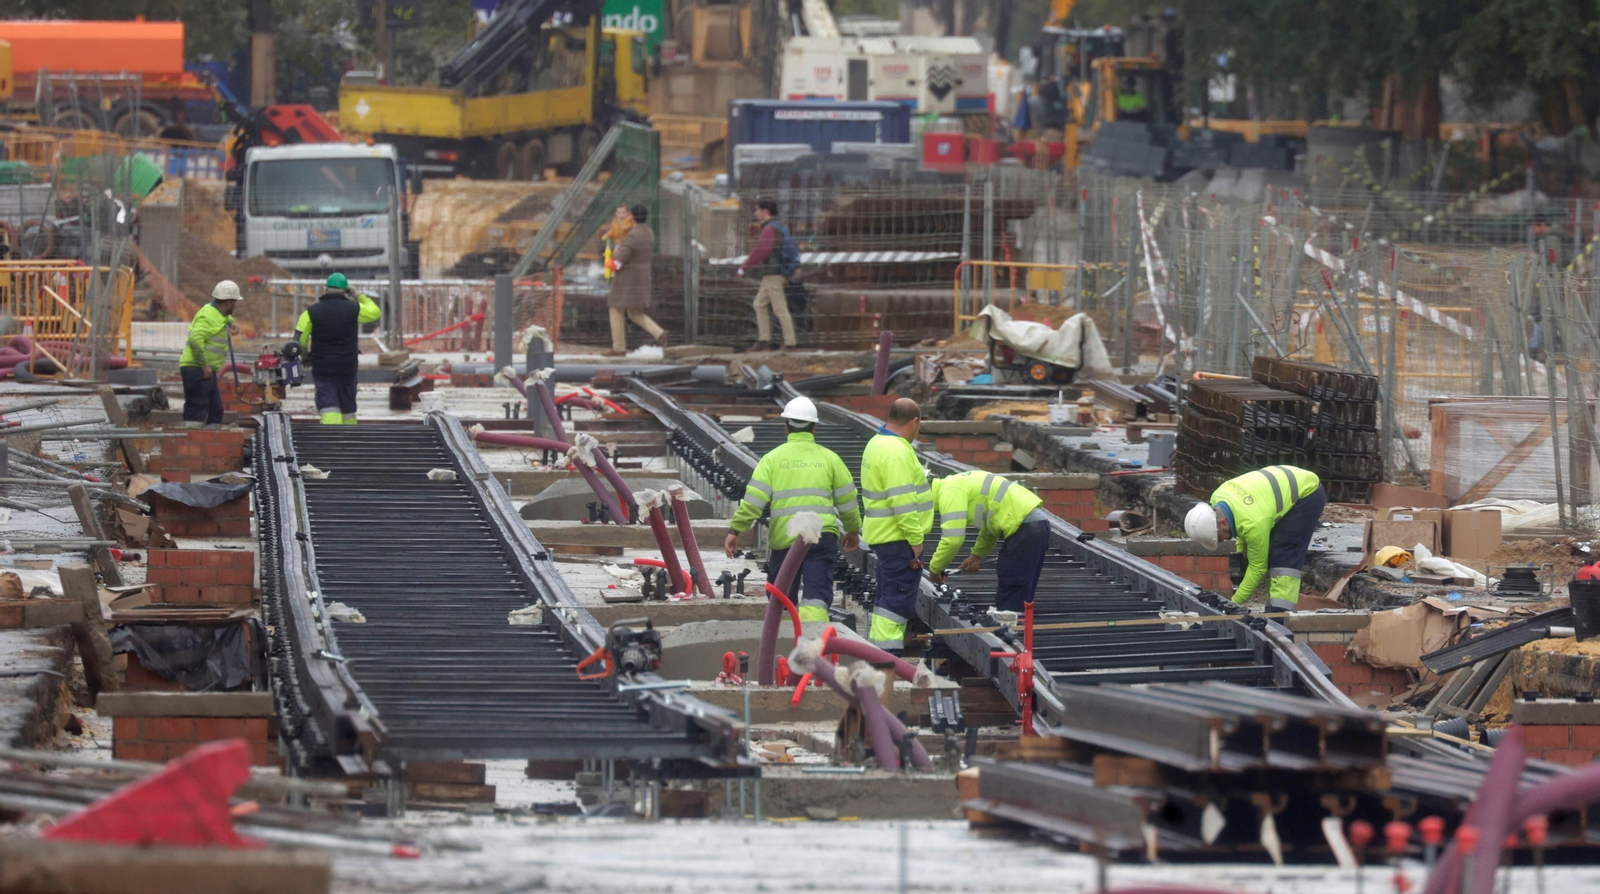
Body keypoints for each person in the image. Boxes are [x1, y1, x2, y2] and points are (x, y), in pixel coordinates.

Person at [725, 396, 861, 622]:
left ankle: (786, 642)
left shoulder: (772, 459)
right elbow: (848, 500)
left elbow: (753, 502)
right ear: (814, 428)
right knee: (817, 595)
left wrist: (735, 530)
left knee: (782, 596)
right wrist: (853, 530)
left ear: (786, 426)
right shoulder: (831, 459)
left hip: (785, 538)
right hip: (822, 536)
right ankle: (812, 643)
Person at [1184, 465, 1326, 611]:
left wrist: (1233, 602)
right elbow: (1239, 522)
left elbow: (1258, 568)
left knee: (1282, 556)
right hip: (1285, 485)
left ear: (1222, 523)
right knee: (1268, 549)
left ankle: (1279, 614)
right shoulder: (1218, 497)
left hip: (1308, 493)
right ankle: (1274, 606)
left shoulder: (1254, 524)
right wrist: (1241, 553)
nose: (1221, 542)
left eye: (1219, 538)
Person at [858, 398, 933, 652]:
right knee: (896, 598)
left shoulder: (876, 443)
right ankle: (887, 656)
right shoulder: (897, 451)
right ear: (914, 422)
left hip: (883, 535)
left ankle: (880, 652)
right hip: (898, 537)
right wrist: (916, 539)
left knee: (887, 594)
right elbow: (902, 501)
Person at [926, 470, 1049, 613]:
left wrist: (935, 570)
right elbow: (990, 525)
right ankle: (1017, 626)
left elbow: (952, 539)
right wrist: (977, 555)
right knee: (1020, 590)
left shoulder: (949, 491)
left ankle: (1011, 629)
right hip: (1036, 525)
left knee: (1012, 581)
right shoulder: (955, 483)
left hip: (1026, 527)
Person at [296, 272, 382, 425]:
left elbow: (300, 339)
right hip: (347, 365)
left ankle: (330, 440)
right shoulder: (354, 309)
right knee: (348, 406)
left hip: (323, 365)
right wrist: (358, 294)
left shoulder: (311, 312)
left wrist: (305, 356)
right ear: (345, 291)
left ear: (326, 289)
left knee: (328, 404)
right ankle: (349, 440)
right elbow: (375, 312)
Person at [605, 204, 668, 357]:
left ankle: (618, 348)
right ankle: (659, 333)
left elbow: (623, 256)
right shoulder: (649, 233)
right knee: (634, 312)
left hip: (627, 280)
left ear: (632, 217)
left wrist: (612, 260)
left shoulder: (633, 235)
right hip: (642, 278)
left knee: (615, 308)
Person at [737, 199, 800, 352]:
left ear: (766, 211)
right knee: (759, 304)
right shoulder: (776, 227)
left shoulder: (769, 229)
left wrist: (744, 267)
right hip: (771, 274)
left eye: (758, 209)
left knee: (779, 308)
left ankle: (790, 343)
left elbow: (762, 250)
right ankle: (764, 340)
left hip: (773, 273)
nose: (755, 212)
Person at [179, 280, 243, 428]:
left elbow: (225, 318)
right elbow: (195, 340)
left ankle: (212, 441)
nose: (235, 306)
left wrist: (232, 322)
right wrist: (204, 366)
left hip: (206, 370)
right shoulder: (208, 315)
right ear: (228, 303)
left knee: (216, 411)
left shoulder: (218, 313)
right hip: (197, 369)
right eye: (235, 302)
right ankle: (192, 442)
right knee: (196, 409)